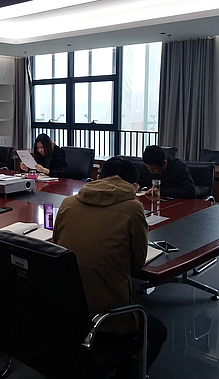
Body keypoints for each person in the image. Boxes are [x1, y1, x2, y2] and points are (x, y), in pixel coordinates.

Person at [53, 156, 166, 370]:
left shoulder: (68, 203)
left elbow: (58, 249)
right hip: (108, 318)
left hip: (67, 308)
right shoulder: (133, 209)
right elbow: (136, 264)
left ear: (98, 177)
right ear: (133, 185)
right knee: (158, 332)